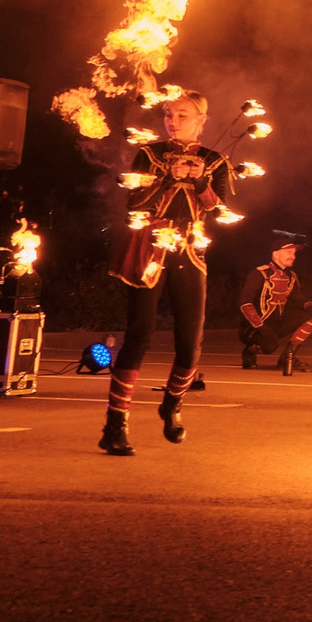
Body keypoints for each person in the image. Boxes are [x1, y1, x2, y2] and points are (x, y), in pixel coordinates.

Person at [102, 89, 238, 456]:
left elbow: (222, 210)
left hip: (190, 254)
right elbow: (134, 202)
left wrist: (200, 182)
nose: (172, 121)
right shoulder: (150, 154)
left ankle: (173, 404)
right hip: (151, 250)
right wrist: (166, 178)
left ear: (200, 120)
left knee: (190, 342)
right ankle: (115, 425)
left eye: (181, 115)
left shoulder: (215, 160)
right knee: (139, 333)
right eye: (168, 114)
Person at [236, 232, 312, 374]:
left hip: (275, 325)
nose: (293, 256)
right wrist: (260, 326)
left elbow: (300, 302)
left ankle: (288, 356)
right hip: (252, 328)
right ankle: (249, 352)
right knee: (269, 345)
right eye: (288, 252)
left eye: (294, 253)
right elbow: (244, 303)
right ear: (275, 254)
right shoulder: (259, 273)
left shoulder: (291, 276)